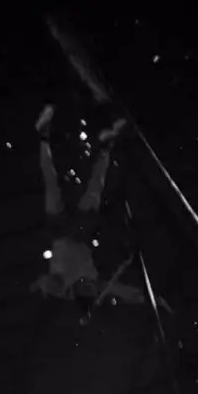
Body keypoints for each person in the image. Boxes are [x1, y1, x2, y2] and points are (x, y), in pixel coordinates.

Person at [30, 104, 128, 316]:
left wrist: (41, 285)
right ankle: (105, 147)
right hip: (80, 231)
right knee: (95, 187)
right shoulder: (94, 282)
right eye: (91, 288)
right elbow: (122, 291)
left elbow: (47, 283)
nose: (88, 284)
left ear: (78, 293)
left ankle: (43, 136)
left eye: (86, 288)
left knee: (51, 182)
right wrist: (155, 300)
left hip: (60, 231)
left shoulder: (62, 288)